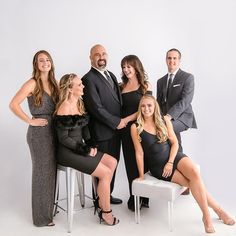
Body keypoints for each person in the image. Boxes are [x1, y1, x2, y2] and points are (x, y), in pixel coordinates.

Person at [131, 94, 235, 233]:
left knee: (194, 173)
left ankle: (209, 214)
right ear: (140, 108)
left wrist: (170, 161)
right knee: (190, 182)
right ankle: (213, 214)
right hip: (159, 166)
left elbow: (174, 144)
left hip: (173, 157)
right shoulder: (136, 127)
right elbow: (139, 153)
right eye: (143, 106)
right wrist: (141, 176)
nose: (146, 109)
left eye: (149, 105)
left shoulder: (164, 121)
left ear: (154, 106)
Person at [54, 73, 119, 225]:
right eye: (79, 85)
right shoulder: (64, 108)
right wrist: (85, 150)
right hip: (67, 153)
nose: (83, 86)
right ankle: (106, 212)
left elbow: (85, 131)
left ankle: (100, 202)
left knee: (112, 161)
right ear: (70, 89)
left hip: (80, 148)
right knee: (105, 172)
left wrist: (91, 145)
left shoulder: (79, 103)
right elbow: (63, 139)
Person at [9, 50, 59, 226]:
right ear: (36, 64)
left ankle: (48, 210)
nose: (45, 62)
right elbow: (13, 104)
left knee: (51, 172)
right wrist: (30, 120)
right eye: (41, 60)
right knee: (42, 174)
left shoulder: (55, 83)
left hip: (55, 131)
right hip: (39, 134)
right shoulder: (32, 83)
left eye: (47, 59)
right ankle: (41, 218)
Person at [82, 44, 127, 204]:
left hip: (116, 131)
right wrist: (117, 122)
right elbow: (96, 108)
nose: (101, 57)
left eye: (103, 54)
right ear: (90, 58)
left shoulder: (111, 75)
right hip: (101, 132)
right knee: (101, 168)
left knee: (113, 164)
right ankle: (98, 200)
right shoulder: (88, 79)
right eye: (97, 54)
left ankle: (107, 195)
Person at [120, 55, 152, 211]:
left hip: (140, 128)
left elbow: (146, 108)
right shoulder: (121, 86)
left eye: (129, 67)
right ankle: (134, 197)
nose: (126, 70)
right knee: (130, 163)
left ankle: (145, 197)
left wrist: (126, 120)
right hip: (125, 131)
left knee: (143, 162)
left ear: (136, 67)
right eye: (124, 67)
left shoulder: (145, 86)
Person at [156, 48, 197, 153]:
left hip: (183, 117)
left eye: (175, 58)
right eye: (169, 58)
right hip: (166, 118)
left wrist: (169, 116)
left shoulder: (187, 77)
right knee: (173, 140)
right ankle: (178, 163)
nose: (172, 61)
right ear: (166, 60)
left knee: (165, 129)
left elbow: (185, 101)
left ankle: (179, 162)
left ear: (179, 60)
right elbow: (158, 103)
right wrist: (157, 118)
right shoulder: (160, 81)